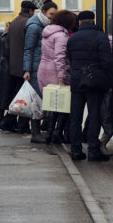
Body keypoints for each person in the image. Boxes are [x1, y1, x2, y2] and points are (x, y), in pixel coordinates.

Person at [66, 10, 113, 161]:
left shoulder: (72, 38)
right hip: (95, 81)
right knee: (94, 116)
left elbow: (70, 59)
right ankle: (93, 150)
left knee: (75, 116)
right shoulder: (101, 36)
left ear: (79, 22)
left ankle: (76, 150)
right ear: (93, 20)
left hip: (76, 80)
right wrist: (108, 82)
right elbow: (107, 62)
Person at [37, 9, 76, 144]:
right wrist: (62, 75)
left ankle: (49, 133)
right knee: (63, 104)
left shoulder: (47, 32)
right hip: (54, 71)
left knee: (52, 104)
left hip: (43, 69)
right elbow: (60, 57)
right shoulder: (61, 36)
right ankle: (56, 133)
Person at [7, 0, 37, 134]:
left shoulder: (14, 22)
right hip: (24, 66)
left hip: (14, 65)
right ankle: (22, 124)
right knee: (26, 97)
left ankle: (9, 121)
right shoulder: (28, 23)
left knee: (18, 95)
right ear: (30, 11)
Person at [24, 0, 58, 91]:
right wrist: (27, 70)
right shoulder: (34, 27)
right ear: (43, 12)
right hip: (36, 68)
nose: (53, 17)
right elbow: (28, 49)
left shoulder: (47, 25)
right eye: (51, 14)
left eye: (55, 15)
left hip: (44, 67)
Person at [0, 22, 14, 131]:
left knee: (2, 95)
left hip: (3, 68)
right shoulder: (8, 38)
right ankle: (1, 120)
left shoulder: (4, 36)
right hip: (8, 69)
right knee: (6, 95)